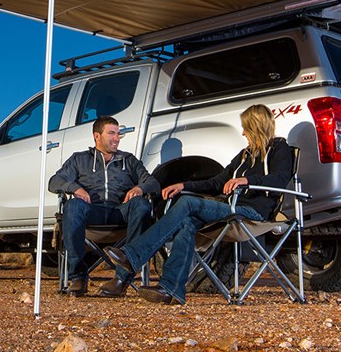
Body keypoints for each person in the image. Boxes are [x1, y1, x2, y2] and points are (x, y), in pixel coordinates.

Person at [104, 104, 292, 305]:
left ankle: (134, 255)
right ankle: (171, 288)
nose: (243, 132)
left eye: (246, 128)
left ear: (256, 126)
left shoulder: (280, 149)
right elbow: (216, 183)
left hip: (252, 212)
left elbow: (280, 179)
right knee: (187, 223)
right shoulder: (244, 155)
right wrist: (183, 185)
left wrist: (248, 180)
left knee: (187, 203)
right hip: (232, 209)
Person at [48, 115, 160, 297]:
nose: (116, 138)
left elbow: (153, 183)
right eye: (111, 133)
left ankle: (121, 279)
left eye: (118, 134)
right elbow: (54, 181)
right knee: (72, 206)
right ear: (97, 136)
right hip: (92, 212)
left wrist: (139, 188)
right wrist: (75, 188)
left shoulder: (128, 160)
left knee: (142, 205)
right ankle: (78, 277)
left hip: (121, 212)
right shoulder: (79, 159)